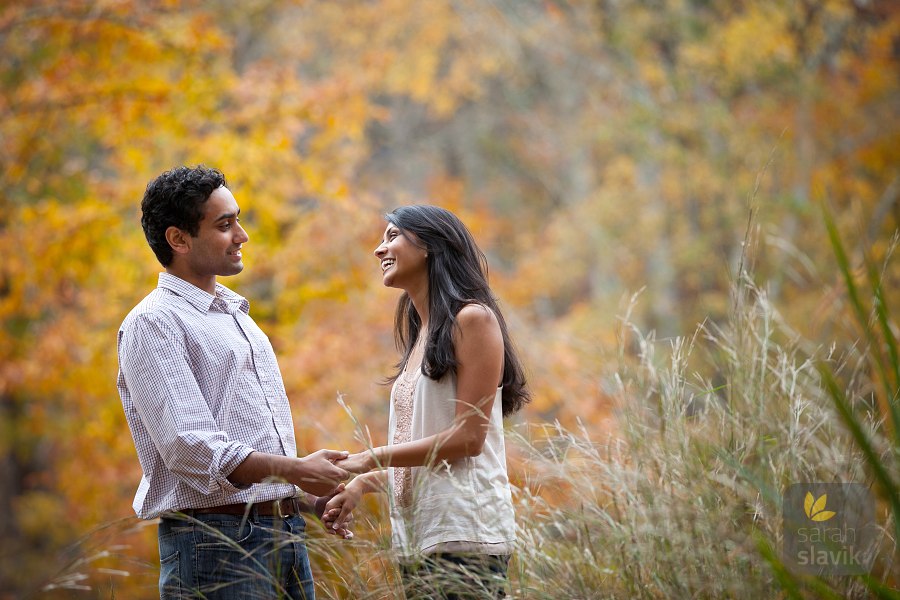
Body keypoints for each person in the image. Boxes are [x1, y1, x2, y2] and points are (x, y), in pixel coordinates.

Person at [117, 165, 352, 600]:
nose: (242, 235)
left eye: (237, 220)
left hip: (284, 535)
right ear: (179, 239)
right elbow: (190, 448)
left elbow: (239, 451)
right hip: (215, 544)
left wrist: (302, 497)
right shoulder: (153, 323)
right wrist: (296, 468)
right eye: (225, 225)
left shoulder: (236, 315)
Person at [324, 205, 530, 598]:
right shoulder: (422, 336)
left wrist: (372, 457)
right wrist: (362, 484)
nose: (378, 249)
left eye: (391, 236)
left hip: (465, 537)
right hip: (419, 540)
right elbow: (426, 452)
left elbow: (467, 440)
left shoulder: (473, 319)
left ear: (431, 246)